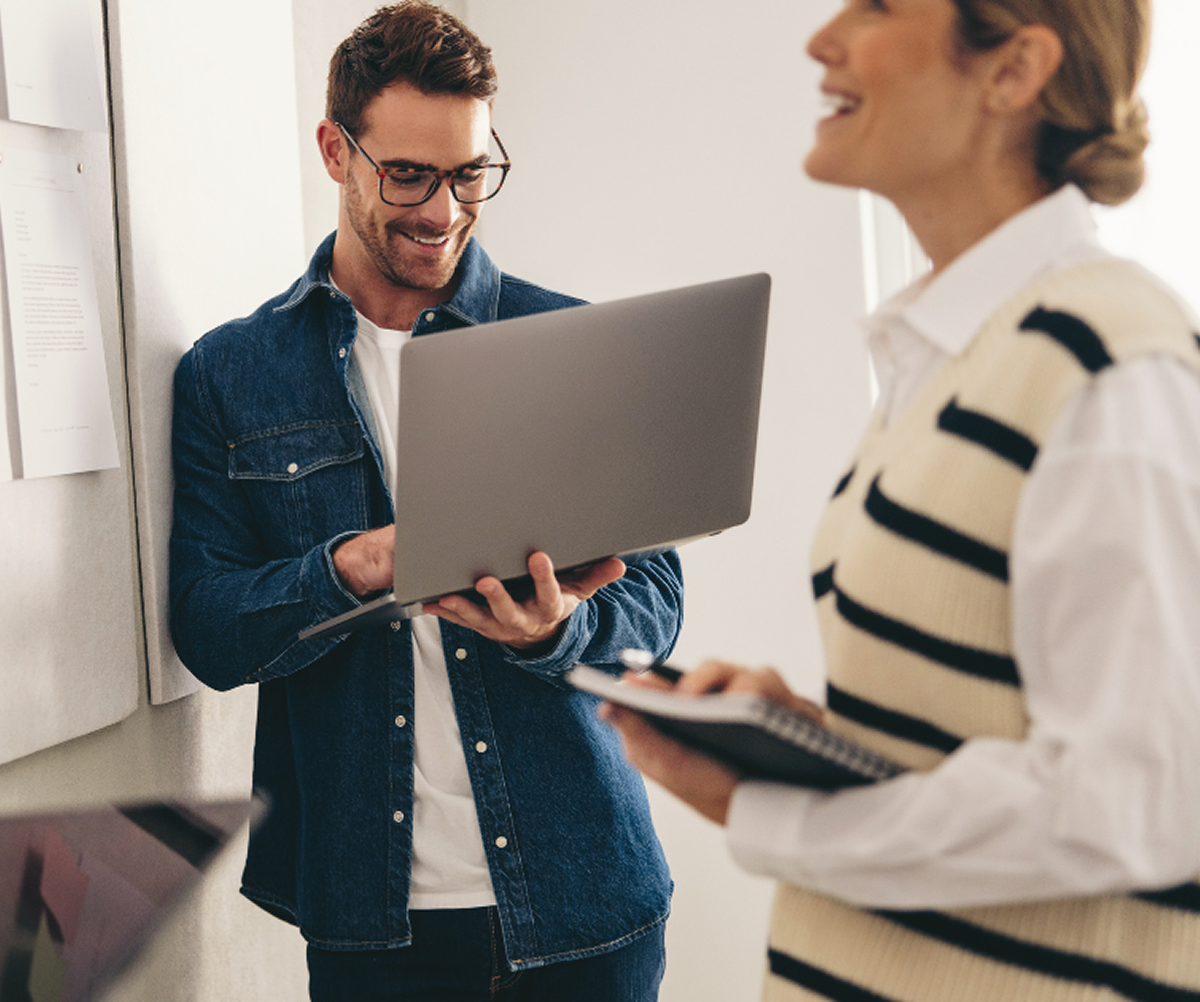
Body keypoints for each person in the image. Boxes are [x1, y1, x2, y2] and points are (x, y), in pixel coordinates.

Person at [604, 1, 1200, 1000]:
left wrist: (769, 815)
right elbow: (985, 735)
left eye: (877, 6)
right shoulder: (956, 351)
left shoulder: (1108, 363)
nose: (821, 38)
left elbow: (1131, 798)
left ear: (1014, 70)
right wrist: (813, 741)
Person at [169, 4, 682, 999]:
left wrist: (556, 631)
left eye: (470, 173)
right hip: (374, 919)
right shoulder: (231, 375)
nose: (443, 210)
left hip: (586, 901)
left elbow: (655, 602)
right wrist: (351, 566)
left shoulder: (568, 345)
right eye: (409, 174)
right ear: (336, 150)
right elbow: (207, 627)